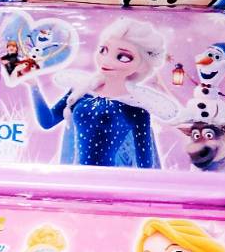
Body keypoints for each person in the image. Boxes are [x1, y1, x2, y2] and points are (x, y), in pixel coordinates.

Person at [28, 18, 178, 168]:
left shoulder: (136, 109)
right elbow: (47, 122)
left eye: (122, 57)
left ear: (142, 66)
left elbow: (145, 166)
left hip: (111, 179)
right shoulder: (81, 92)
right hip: (76, 176)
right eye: (103, 50)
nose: (107, 60)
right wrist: (33, 86)